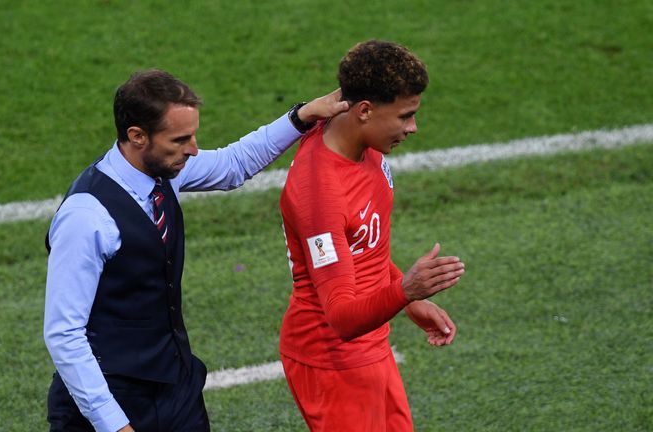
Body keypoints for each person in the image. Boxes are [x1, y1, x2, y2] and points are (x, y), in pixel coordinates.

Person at [43, 69, 349, 432]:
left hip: (176, 391)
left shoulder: (165, 170)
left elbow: (234, 165)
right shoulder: (86, 217)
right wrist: (113, 423)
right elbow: (63, 332)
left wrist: (299, 118)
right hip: (109, 403)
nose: (193, 149)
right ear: (137, 136)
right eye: (180, 139)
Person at [278, 40, 466, 431]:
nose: (413, 128)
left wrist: (404, 296)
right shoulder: (320, 193)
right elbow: (341, 318)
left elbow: (365, 251)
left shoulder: (366, 144)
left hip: (371, 343)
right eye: (405, 116)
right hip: (332, 360)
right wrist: (405, 292)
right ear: (364, 111)